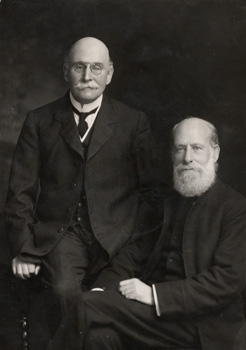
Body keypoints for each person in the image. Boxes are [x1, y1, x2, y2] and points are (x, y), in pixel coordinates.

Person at [48, 117, 246, 350]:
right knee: (98, 336)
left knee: (85, 306)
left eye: (197, 148)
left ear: (215, 153)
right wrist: (102, 290)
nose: (187, 158)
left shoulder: (235, 207)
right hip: (156, 320)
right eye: (180, 148)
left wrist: (154, 294)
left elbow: (228, 281)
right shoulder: (168, 202)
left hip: (203, 326)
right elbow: (135, 254)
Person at [4, 37, 161, 316]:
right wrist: (23, 248)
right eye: (79, 67)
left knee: (105, 304)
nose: (88, 77)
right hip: (62, 235)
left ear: (110, 73)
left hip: (117, 238)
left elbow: (151, 194)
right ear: (66, 71)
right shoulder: (39, 120)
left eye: (96, 68)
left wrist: (134, 241)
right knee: (66, 293)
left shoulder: (133, 122)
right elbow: (20, 191)